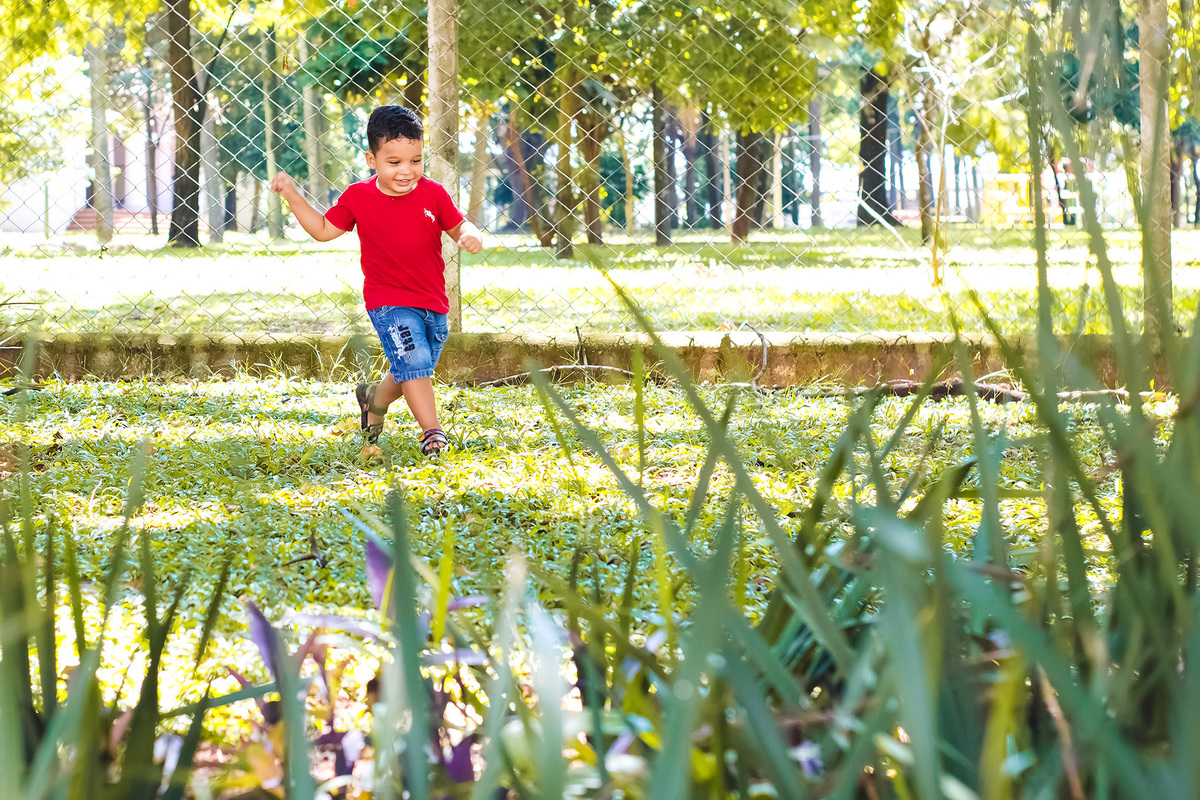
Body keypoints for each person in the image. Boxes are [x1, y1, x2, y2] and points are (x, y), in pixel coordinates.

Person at [269, 106, 482, 456]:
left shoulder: (433, 193)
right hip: (388, 302)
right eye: (394, 162)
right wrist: (293, 195)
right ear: (372, 159)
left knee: (409, 371)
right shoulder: (358, 197)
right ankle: (433, 433)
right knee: (412, 364)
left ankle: (371, 400)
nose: (406, 171)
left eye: (415, 160)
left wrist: (471, 234)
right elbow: (323, 230)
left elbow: (459, 225)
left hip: (432, 303)